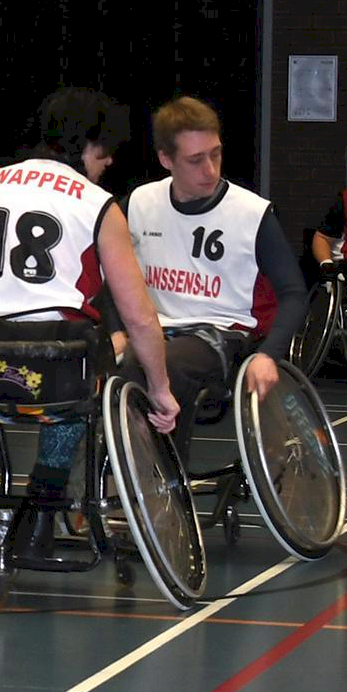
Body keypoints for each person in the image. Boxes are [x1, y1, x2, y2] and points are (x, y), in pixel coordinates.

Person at [0, 89, 180, 554]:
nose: (109, 161)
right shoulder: (97, 204)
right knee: (86, 367)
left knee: (69, 360)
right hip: (50, 369)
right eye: (105, 149)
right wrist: (160, 388)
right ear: (87, 142)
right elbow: (139, 318)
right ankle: (42, 506)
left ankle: (13, 511)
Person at [117, 95, 307, 455]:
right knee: (103, 360)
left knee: (162, 364)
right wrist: (114, 330)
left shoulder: (251, 213)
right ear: (166, 159)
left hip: (222, 337)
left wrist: (269, 354)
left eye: (215, 155)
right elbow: (109, 273)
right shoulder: (141, 202)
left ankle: (163, 472)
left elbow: (294, 293)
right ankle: (106, 470)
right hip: (156, 330)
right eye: (195, 160)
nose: (210, 170)